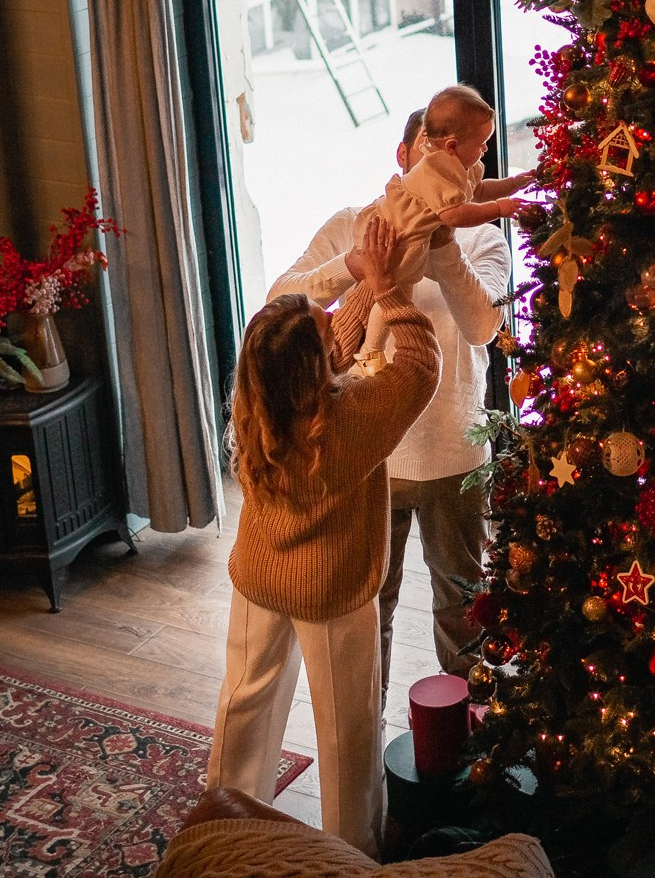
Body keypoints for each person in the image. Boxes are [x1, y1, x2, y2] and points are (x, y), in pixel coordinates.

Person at [208, 216, 436, 858]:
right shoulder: (350, 421)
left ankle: (224, 818)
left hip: (260, 573)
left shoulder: (258, 398)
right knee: (345, 727)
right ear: (315, 370)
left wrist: (365, 280)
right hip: (331, 588)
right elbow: (419, 368)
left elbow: (323, 347)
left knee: (244, 698)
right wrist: (389, 293)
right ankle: (352, 848)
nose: (334, 318)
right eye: (324, 319)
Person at [269, 104, 509, 684]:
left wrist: (443, 248)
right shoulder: (351, 224)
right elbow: (281, 299)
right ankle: (363, 725)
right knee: (369, 607)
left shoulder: (482, 237)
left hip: (455, 452)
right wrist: (353, 267)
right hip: (368, 454)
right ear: (402, 158)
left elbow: (483, 328)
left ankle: (466, 719)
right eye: (426, 151)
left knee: (463, 606)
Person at [346, 84, 531, 364]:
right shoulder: (436, 171)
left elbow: (479, 190)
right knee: (391, 295)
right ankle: (372, 349)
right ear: (452, 146)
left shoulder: (460, 167)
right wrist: (498, 209)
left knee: (396, 295)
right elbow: (453, 215)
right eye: (481, 143)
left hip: (410, 235)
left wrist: (513, 184)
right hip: (399, 236)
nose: (485, 148)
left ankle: (372, 350)